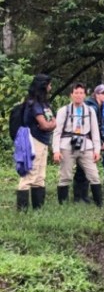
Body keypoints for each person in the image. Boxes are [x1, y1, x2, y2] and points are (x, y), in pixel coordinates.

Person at [52, 83, 103, 207]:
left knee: (94, 175)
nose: (79, 96)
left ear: (85, 95)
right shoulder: (63, 111)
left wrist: (97, 150)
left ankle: (99, 204)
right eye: (76, 93)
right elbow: (57, 132)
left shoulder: (90, 111)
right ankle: (62, 205)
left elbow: (95, 132)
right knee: (65, 176)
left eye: (81, 93)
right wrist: (56, 150)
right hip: (67, 145)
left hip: (86, 145)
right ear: (71, 95)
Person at [15, 74, 55, 211]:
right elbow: (45, 125)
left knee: (40, 176)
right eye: (49, 84)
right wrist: (50, 125)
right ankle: (22, 210)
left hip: (43, 141)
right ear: (43, 86)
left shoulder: (44, 104)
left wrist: (50, 125)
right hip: (34, 140)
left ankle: (38, 209)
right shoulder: (34, 104)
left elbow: (52, 123)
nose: (51, 87)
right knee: (30, 174)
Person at [75, 84, 104, 203]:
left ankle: (82, 196)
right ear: (96, 94)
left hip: (87, 140)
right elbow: (94, 127)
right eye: (103, 93)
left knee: (84, 168)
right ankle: (80, 196)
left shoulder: (99, 106)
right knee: (83, 168)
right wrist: (100, 142)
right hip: (84, 140)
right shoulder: (92, 107)